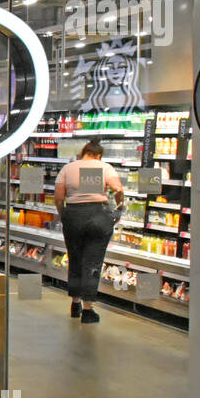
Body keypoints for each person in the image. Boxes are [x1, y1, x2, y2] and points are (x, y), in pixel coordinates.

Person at [54, 138, 126, 324]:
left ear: (83, 152)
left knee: (75, 258)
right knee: (92, 262)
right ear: (99, 155)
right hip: (98, 215)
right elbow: (118, 188)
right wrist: (119, 207)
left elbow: (59, 198)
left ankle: (75, 303)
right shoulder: (104, 167)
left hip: (74, 215)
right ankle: (88, 310)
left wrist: (65, 215)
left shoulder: (68, 169)